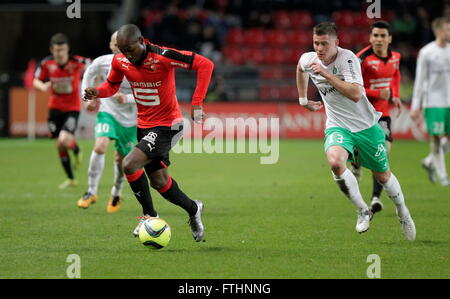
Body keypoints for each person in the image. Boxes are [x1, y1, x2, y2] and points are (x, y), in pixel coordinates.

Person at [83, 24, 214, 242]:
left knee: (129, 164)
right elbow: (111, 86)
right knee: (160, 182)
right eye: (122, 50)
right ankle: (193, 209)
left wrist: (197, 102)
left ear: (142, 41)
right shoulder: (120, 60)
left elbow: (205, 64)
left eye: (130, 49)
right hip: (144, 126)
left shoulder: (163, 56)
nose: (127, 55)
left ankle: (149, 215)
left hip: (168, 125)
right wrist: (97, 92)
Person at [296, 22, 415, 240]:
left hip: (366, 126)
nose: (319, 48)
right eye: (316, 43)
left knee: (382, 175)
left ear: (336, 43)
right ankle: (362, 210)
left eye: (324, 44)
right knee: (335, 162)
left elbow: (356, 94)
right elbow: (299, 68)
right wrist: (303, 99)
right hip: (337, 124)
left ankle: (402, 211)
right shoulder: (308, 59)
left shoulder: (348, 58)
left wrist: (326, 74)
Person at [77, 31, 137, 213]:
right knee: (100, 146)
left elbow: (148, 92)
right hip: (108, 111)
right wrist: (86, 97)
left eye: (122, 44)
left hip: (130, 119)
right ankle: (91, 191)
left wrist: (127, 98)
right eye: (115, 44)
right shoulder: (102, 62)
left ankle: (116, 192)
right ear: (111, 46)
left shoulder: (138, 64)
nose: (118, 47)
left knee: (121, 160)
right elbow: (88, 74)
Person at [351, 21, 403, 215]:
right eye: (376, 36)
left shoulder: (396, 57)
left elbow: (395, 75)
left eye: (383, 36)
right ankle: (356, 166)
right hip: (360, 114)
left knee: (384, 153)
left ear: (389, 39)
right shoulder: (360, 59)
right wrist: (376, 93)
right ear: (370, 38)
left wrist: (395, 95)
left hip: (382, 114)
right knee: (358, 153)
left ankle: (375, 198)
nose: (379, 39)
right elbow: (352, 87)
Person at [34, 33, 90, 189]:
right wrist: (43, 86)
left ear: (67, 49)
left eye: (63, 50)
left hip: (72, 108)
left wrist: (91, 90)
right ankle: (71, 178)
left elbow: (94, 67)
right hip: (54, 108)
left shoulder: (78, 62)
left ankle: (76, 148)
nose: (60, 53)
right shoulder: (46, 64)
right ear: (52, 49)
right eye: (57, 50)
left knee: (64, 140)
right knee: (59, 144)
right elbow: (36, 80)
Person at [411, 17, 450, 187]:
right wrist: (415, 106)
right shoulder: (426, 52)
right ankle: (442, 176)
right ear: (438, 31)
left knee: (446, 139)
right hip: (433, 101)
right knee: (436, 139)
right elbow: (419, 81)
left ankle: (429, 161)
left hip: (449, 101)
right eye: (448, 29)